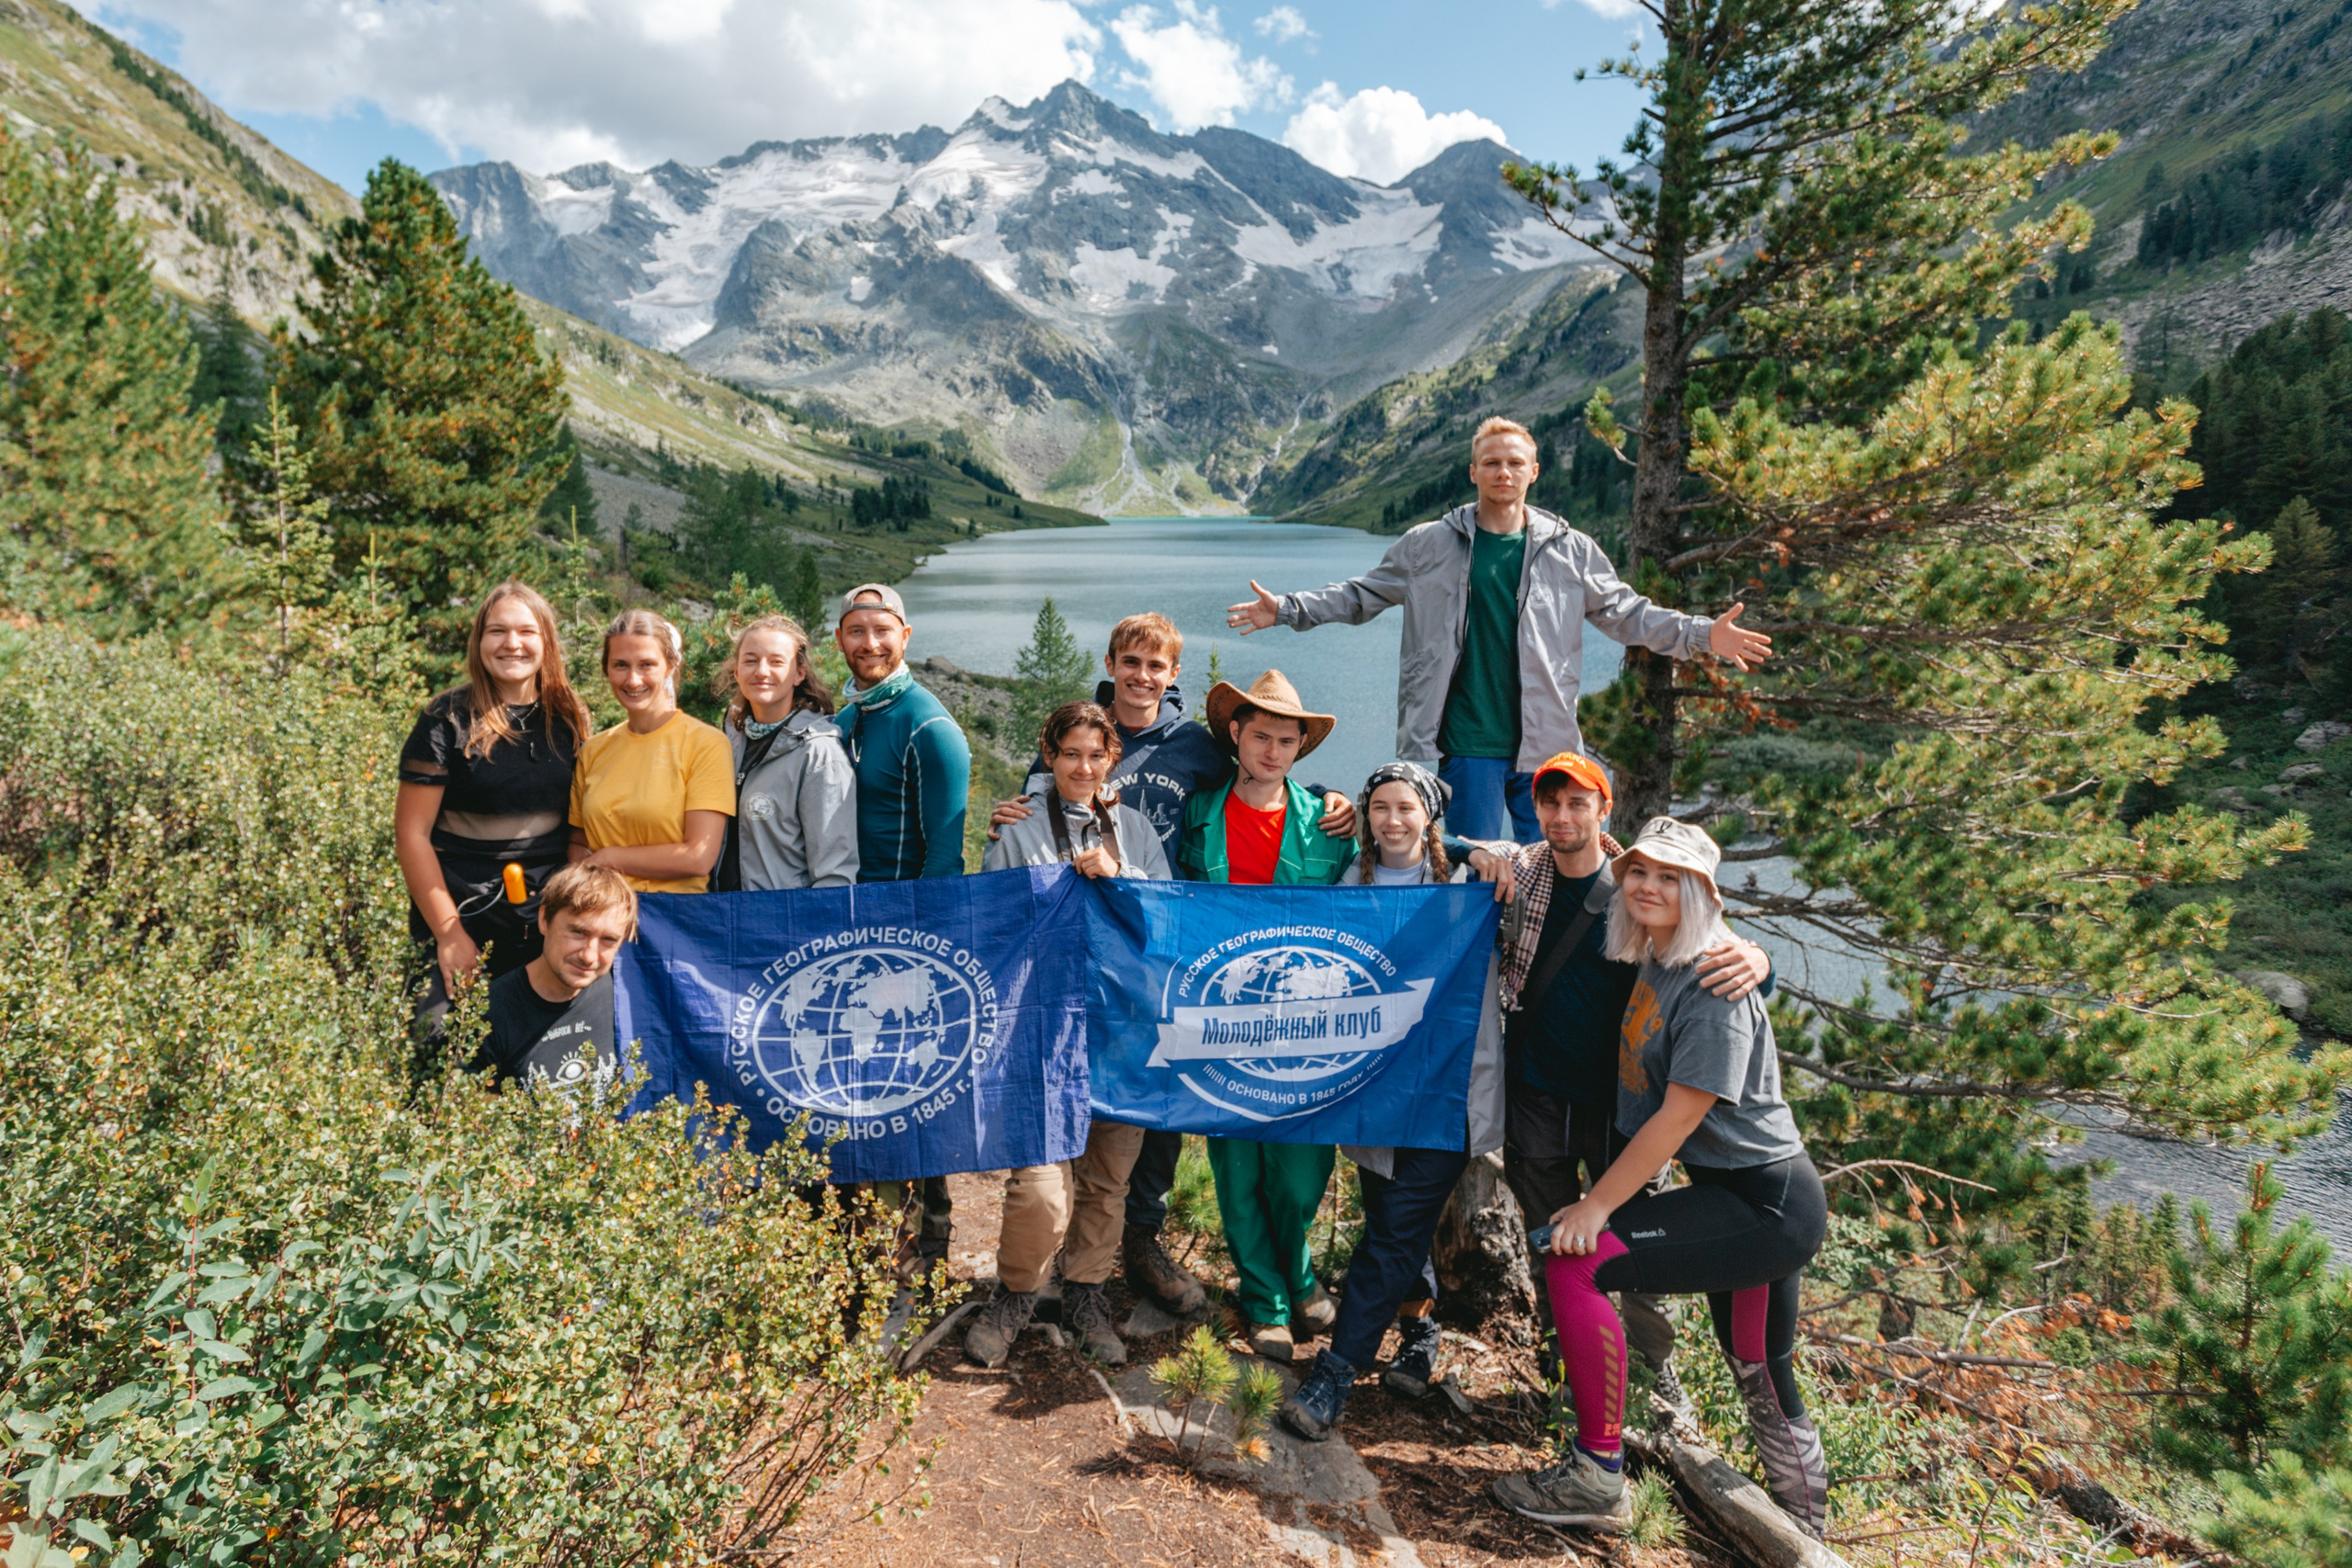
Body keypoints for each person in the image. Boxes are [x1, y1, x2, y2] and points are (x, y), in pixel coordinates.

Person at [989, 613, 1359, 1318]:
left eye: (1156, 666)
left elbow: (1268, 782)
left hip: (1161, 968)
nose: (1142, 675)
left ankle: (1139, 1248)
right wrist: (1013, 812)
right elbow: (1040, 819)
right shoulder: (1076, 745)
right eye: (1131, 662)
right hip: (1075, 981)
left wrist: (1347, 803)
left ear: (1172, 675)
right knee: (1086, 1148)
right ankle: (1043, 1281)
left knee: (1152, 1130)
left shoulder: (1199, 750)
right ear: (1112, 662)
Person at [1494, 818, 1827, 1536]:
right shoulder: (1657, 953)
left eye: (1669, 876)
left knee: (1574, 1262)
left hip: (1767, 1199)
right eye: (1639, 870)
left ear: (1701, 892)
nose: (1648, 884)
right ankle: (1804, 1531)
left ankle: (1597, 1475)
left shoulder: (1713, 980)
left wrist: (1595, 1205)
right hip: (1732, 1191)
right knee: (1757, 1367)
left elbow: (1677, 1120)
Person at [1226, 416, 1774, 842]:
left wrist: (1704, 636)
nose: (1503, 472)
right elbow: (1362, 594)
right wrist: (1289, 609)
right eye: (1491, 463)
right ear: (1473, 472)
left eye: (1515, 463)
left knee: (1553, 870)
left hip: (1548, 745)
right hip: (1466, 746)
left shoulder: (1571, 549)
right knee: (1471, 871)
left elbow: (1629, 614)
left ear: (1534, 472)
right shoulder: (1428, 544)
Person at [1493, 753, 1772, 1416]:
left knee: (1636, 1252)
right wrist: (1472, 853)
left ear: (1603, 809)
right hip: (1536, 1094)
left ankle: (1652, 1375)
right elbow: (1441, 841)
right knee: (1548, 1244)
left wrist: (1763, 960)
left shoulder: (1637, 886)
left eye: (1577, 803)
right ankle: (1572, 1370)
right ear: (1536, 810)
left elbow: (1709, 948)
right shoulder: (1520, 871)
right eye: (1550, 803)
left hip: (1626, 1108)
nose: (1563, 816)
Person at [1280, 761, 1498, 1439]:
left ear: (1429, 817)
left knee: (1394, 1229)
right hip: (1375, 1091)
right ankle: (1420, 1329)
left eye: (1407, 807)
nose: (1392, 820)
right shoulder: (1354, 882)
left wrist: (1470, 846)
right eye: (1380, 807)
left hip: (1446, 1091)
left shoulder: (1466, 883)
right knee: (1391, 1216)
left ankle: (1336, 1373)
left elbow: (1536, 856)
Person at [966, 701, 1171, 1369]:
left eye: (1095, 754)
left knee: (1109, 1176)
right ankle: (1018, 1291)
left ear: (1112, 757)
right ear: (1048, 756)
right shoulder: (1020, 826)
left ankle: (1086, 1292)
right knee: (1039, 1181)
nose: (1082, 766)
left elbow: (1168, 918)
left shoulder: (1135, 829)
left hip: (1121, 1024)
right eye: (1069, 753)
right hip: (1043, 1022)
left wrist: (1122, 877)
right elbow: (987, 918)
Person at [1179, 670, 1352, 1363]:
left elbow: (1403, 856)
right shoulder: (1198, 817)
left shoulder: (1331, 823)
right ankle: (1267, 1302)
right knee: (1238, 1165)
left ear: (1300, 746)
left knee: (1301, 1166)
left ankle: (1302, 1271)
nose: (1272, 750)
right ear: (1236, 735)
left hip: (1308, 1025)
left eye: (1286, 739)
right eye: (1260, 736)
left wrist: (1478, 851)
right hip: (1223, 1017)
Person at [832, 581, 973, 1276]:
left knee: (910, 1086)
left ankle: (928, 1243)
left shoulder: (929, 726)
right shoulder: (848, 716)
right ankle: (883, 1237)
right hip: (849, 933)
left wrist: (918, 958)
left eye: (882, 630)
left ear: (905, 635)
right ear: (840, 641)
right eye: (856, 631)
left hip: (904, 940)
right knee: (868, 1091)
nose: (870, 643)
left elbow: (945, 858)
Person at [396, 581, 594, 1053]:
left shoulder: (569, 717)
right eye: (497, 631)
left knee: (536, 1060)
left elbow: (579, 828)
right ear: (479, 641)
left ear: (546, 641)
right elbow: (412, 835)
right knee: (439, 1050)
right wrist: (449, 936)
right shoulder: (445, 719)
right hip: (459, 914)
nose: (512, 644)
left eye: (526, 631)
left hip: (542, 922)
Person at [570, 610, 735, 893]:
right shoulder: (594, 750)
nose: (633, 680)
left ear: (670, 665)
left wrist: (609, 859)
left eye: (647, 664)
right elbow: (577, 842)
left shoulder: (705, 744)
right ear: (606, 669)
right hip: (599, 912)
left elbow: (698, 857)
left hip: (673, 918)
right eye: (620, 665)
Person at [715, 614, 857, 891]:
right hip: (722, 919)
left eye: (776, 661)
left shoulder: (818, 753)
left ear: (799, 673)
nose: (761, 671)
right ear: (736, 671)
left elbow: (835, 875)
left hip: (784, 924)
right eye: (751, 660)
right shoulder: (729, 739)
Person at [471, 863, 636, 1099]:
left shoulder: (624, 996)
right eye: (578, 932)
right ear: (544, 919)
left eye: (609, 940)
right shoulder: (489, 1011)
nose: (589, 956)